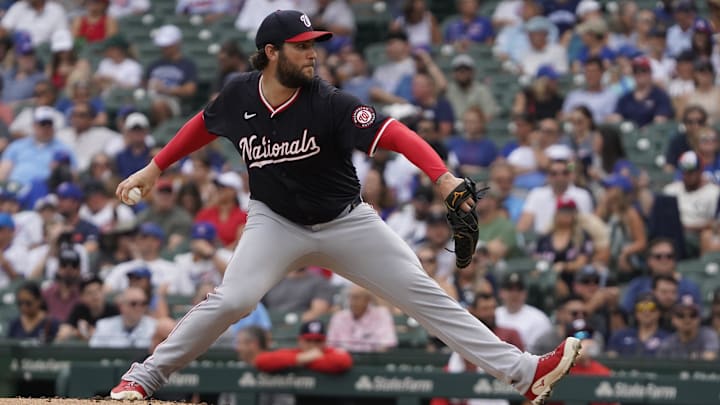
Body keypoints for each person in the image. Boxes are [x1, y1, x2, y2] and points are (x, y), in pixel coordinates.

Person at [109, 10, 580, 404]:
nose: (313, 52)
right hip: (274, 221)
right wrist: (155, 167)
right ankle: (144, 377)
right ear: (272, 53)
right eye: (301, 45)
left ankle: (525, 373)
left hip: (345, 221)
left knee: (422, 292)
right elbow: (204, 123)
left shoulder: (328, 102)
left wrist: (442, 176)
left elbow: (394, 133)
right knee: (234, 298)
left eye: (314, 43)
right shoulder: (239, 94)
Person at [326, 284, 398, 352]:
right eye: (350, 297)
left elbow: (387, 343)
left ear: (367, 300)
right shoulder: (339, 317)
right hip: (343, 361)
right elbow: (330, 345)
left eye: (356, 298)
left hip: (372, 360)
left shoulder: (381, 314)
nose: (352, 302)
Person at [89, 286, 156, 348]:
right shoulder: (103, 326)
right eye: (133, 303)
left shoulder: (155, 327)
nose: (139, 308)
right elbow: (95, 353)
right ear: (121, 306)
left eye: (143, 303)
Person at [657, 294, 719, 360]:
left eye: (693, 315)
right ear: (673, 319)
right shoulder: (668, 343)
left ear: (699, 318)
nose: (687, 319)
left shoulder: (708, 335)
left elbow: (709, 359)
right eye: (681, 315)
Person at [56, 276, 119, 341]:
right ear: (82, 297)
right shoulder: (79, 309)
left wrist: (93, 332)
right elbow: (64, 330)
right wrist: (79, 333)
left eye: (98, 290)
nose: (95, 295)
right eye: (89, 293)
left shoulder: (113, 311)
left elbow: (118, 335)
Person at [606, 293, 670, 357]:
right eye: (641, 307)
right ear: (635, 313)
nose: (646, 312)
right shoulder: (620, 336)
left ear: (659, 312)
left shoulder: (667, 338)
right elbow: (611, 358)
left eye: (651, 307)